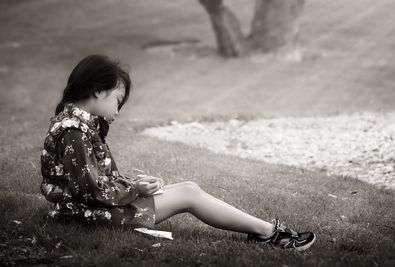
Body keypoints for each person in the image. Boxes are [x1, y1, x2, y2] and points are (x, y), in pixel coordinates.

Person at [40, 54, 316, 251]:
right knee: (189, 195)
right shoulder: (74, 131)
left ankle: (266, 232)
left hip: (88, 210)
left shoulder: (79, 125)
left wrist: (134, 186)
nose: (117, 111)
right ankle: (270, 234)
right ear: (98, 91)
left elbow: (95, 182)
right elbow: (91, 192)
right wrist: (135, 190)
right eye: (117, 101)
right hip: (87, 216)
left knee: (188, 187)